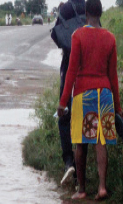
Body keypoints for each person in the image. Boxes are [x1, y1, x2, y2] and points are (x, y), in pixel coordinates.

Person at [57, 0, 123, 201]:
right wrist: (118, 107)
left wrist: (63, 102)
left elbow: (71, 71)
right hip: (104, 95)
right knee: (100, 140)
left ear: (85, 14)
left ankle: (82, 189)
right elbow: (113, 76)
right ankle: (102, 188)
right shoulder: (110, 38)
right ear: (100, 14)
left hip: (83, 95)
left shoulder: (78, 35)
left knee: (80, 142)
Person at [53, 0, 86, 186]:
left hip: (68, 64)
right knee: (85, 119)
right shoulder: (89, 7)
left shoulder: (65, 8)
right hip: (88, 66)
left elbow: (57, 37)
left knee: (64, 115)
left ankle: (68, 161)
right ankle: (84, 173)